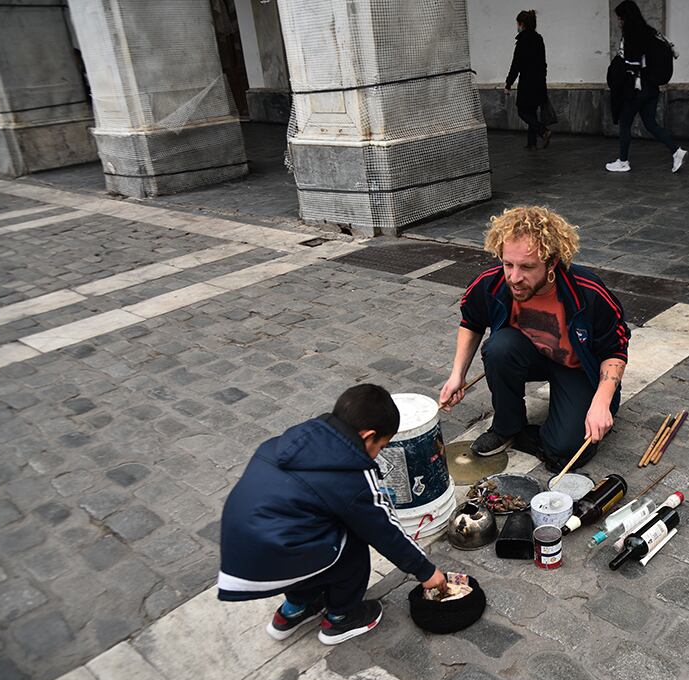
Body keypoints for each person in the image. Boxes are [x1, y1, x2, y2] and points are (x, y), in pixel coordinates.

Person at [217, 384, 448, 645]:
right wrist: (426, 571)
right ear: (367, 436)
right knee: (352, 541)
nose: (379, 453)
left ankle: (294, 609)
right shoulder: (351, 474)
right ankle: (341, 618)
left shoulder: (301, 438)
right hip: (276, 554)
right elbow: (383, 530)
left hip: (241, 553)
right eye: (381, 446)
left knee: (305, 535)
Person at [439, 206, 630, 472]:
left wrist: (601, 403)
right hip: (530, 356)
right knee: (499, 348)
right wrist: (457, 375)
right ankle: (507, 427)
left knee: (564, 450)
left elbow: (616, 350)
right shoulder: (491, 283)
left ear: (552, 263)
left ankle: (566, 422)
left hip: (576, 367)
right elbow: (471, 322)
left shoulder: (589, 291)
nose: (514, 278)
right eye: (508, 264)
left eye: (527, 267)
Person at [605, 0, 687, 173]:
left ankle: (623, 162)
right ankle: (676, 151)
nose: (619, 22)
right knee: (650, 123)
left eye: (620, 19)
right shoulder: (651, 33)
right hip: (652, 88)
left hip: (637, 89)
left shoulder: (632, 36)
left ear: (625, 18)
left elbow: (630, 64)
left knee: (625, 124)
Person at [505, 9, 551, 150]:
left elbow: (516, 65)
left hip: (527, 82)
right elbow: (543, 62)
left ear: (522, 24)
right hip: (539, 81)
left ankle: (543, 131)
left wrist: (508, 83)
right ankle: (532, 143)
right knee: (531, 111)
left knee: (522, 111)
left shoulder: (522, 41)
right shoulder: (539, 39)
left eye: (518, 23)